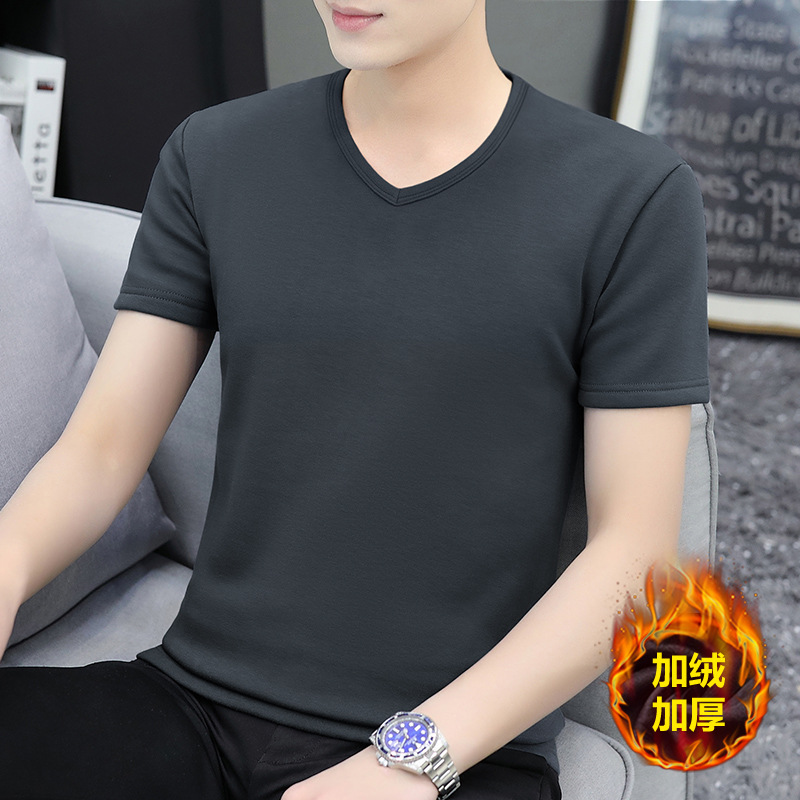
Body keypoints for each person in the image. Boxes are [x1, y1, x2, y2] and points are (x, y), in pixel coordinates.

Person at [0, 1, 710, 798]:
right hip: (191, 705)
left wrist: (405, 761)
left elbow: (635, 557)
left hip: (459, 757)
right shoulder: (216, 152)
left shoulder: (633, 196)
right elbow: (101, 450)